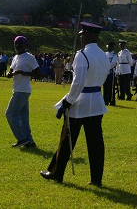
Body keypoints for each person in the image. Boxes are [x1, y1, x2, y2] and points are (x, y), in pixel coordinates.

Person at [40, 22, 111, 186]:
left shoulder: (82, 54)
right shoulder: (103, 55)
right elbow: (104, 76)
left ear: (87, 35)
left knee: (67, 139)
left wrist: (67, 101)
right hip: (96, 102)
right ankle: (96, 179)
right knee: (96, 143)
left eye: (82, 35)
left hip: (80, 102)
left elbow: (78, 83)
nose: (81, 38)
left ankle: (56, 172)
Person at [6, 36, 42, 148]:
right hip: (17, 89)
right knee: (23, 117)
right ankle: (30, 142)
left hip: (23, 90)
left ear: (25, 45)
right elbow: (10, 71)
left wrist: (23, 73)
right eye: (16, 43)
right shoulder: (16, 57)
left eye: (20, 44)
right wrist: (9, 74)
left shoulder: (29, 57)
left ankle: (22, 139)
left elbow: (39, 74)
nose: (17, 46)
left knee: (10, 114)